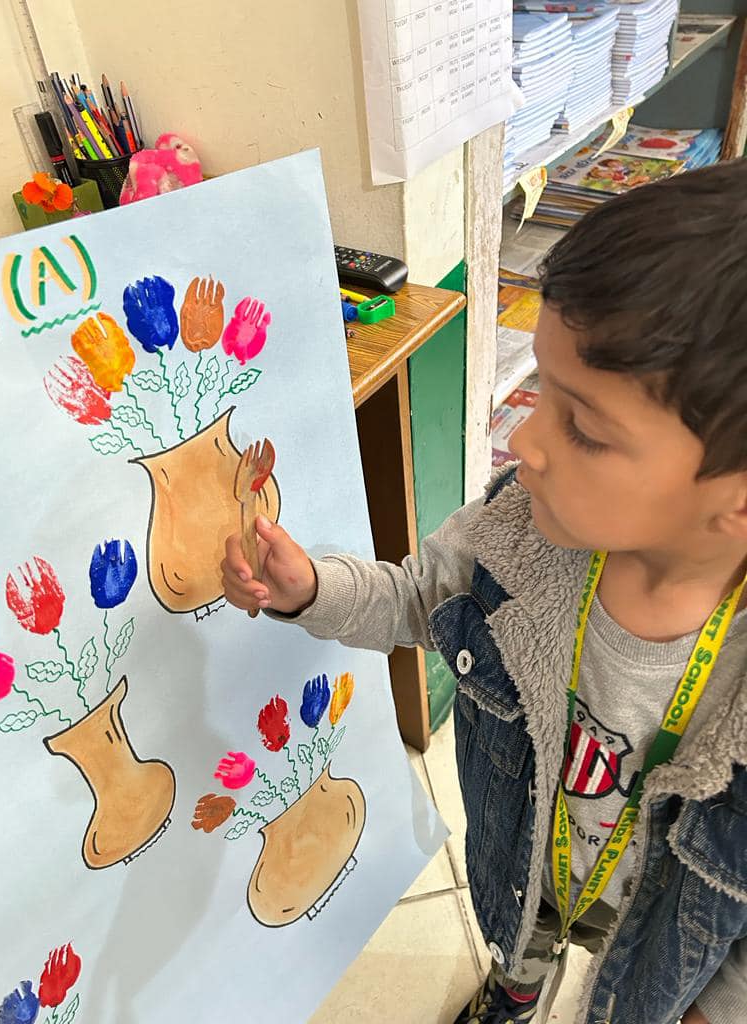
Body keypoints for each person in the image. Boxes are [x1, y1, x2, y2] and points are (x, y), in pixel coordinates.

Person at [222, 161, 747, 1024]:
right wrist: (309, 587)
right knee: (524, 938)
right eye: (541, 392)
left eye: (583, 426)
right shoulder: (521, 539)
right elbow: (413, 598)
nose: (528, 442)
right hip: (530, 859)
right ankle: (514, 987)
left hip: (660, 938)